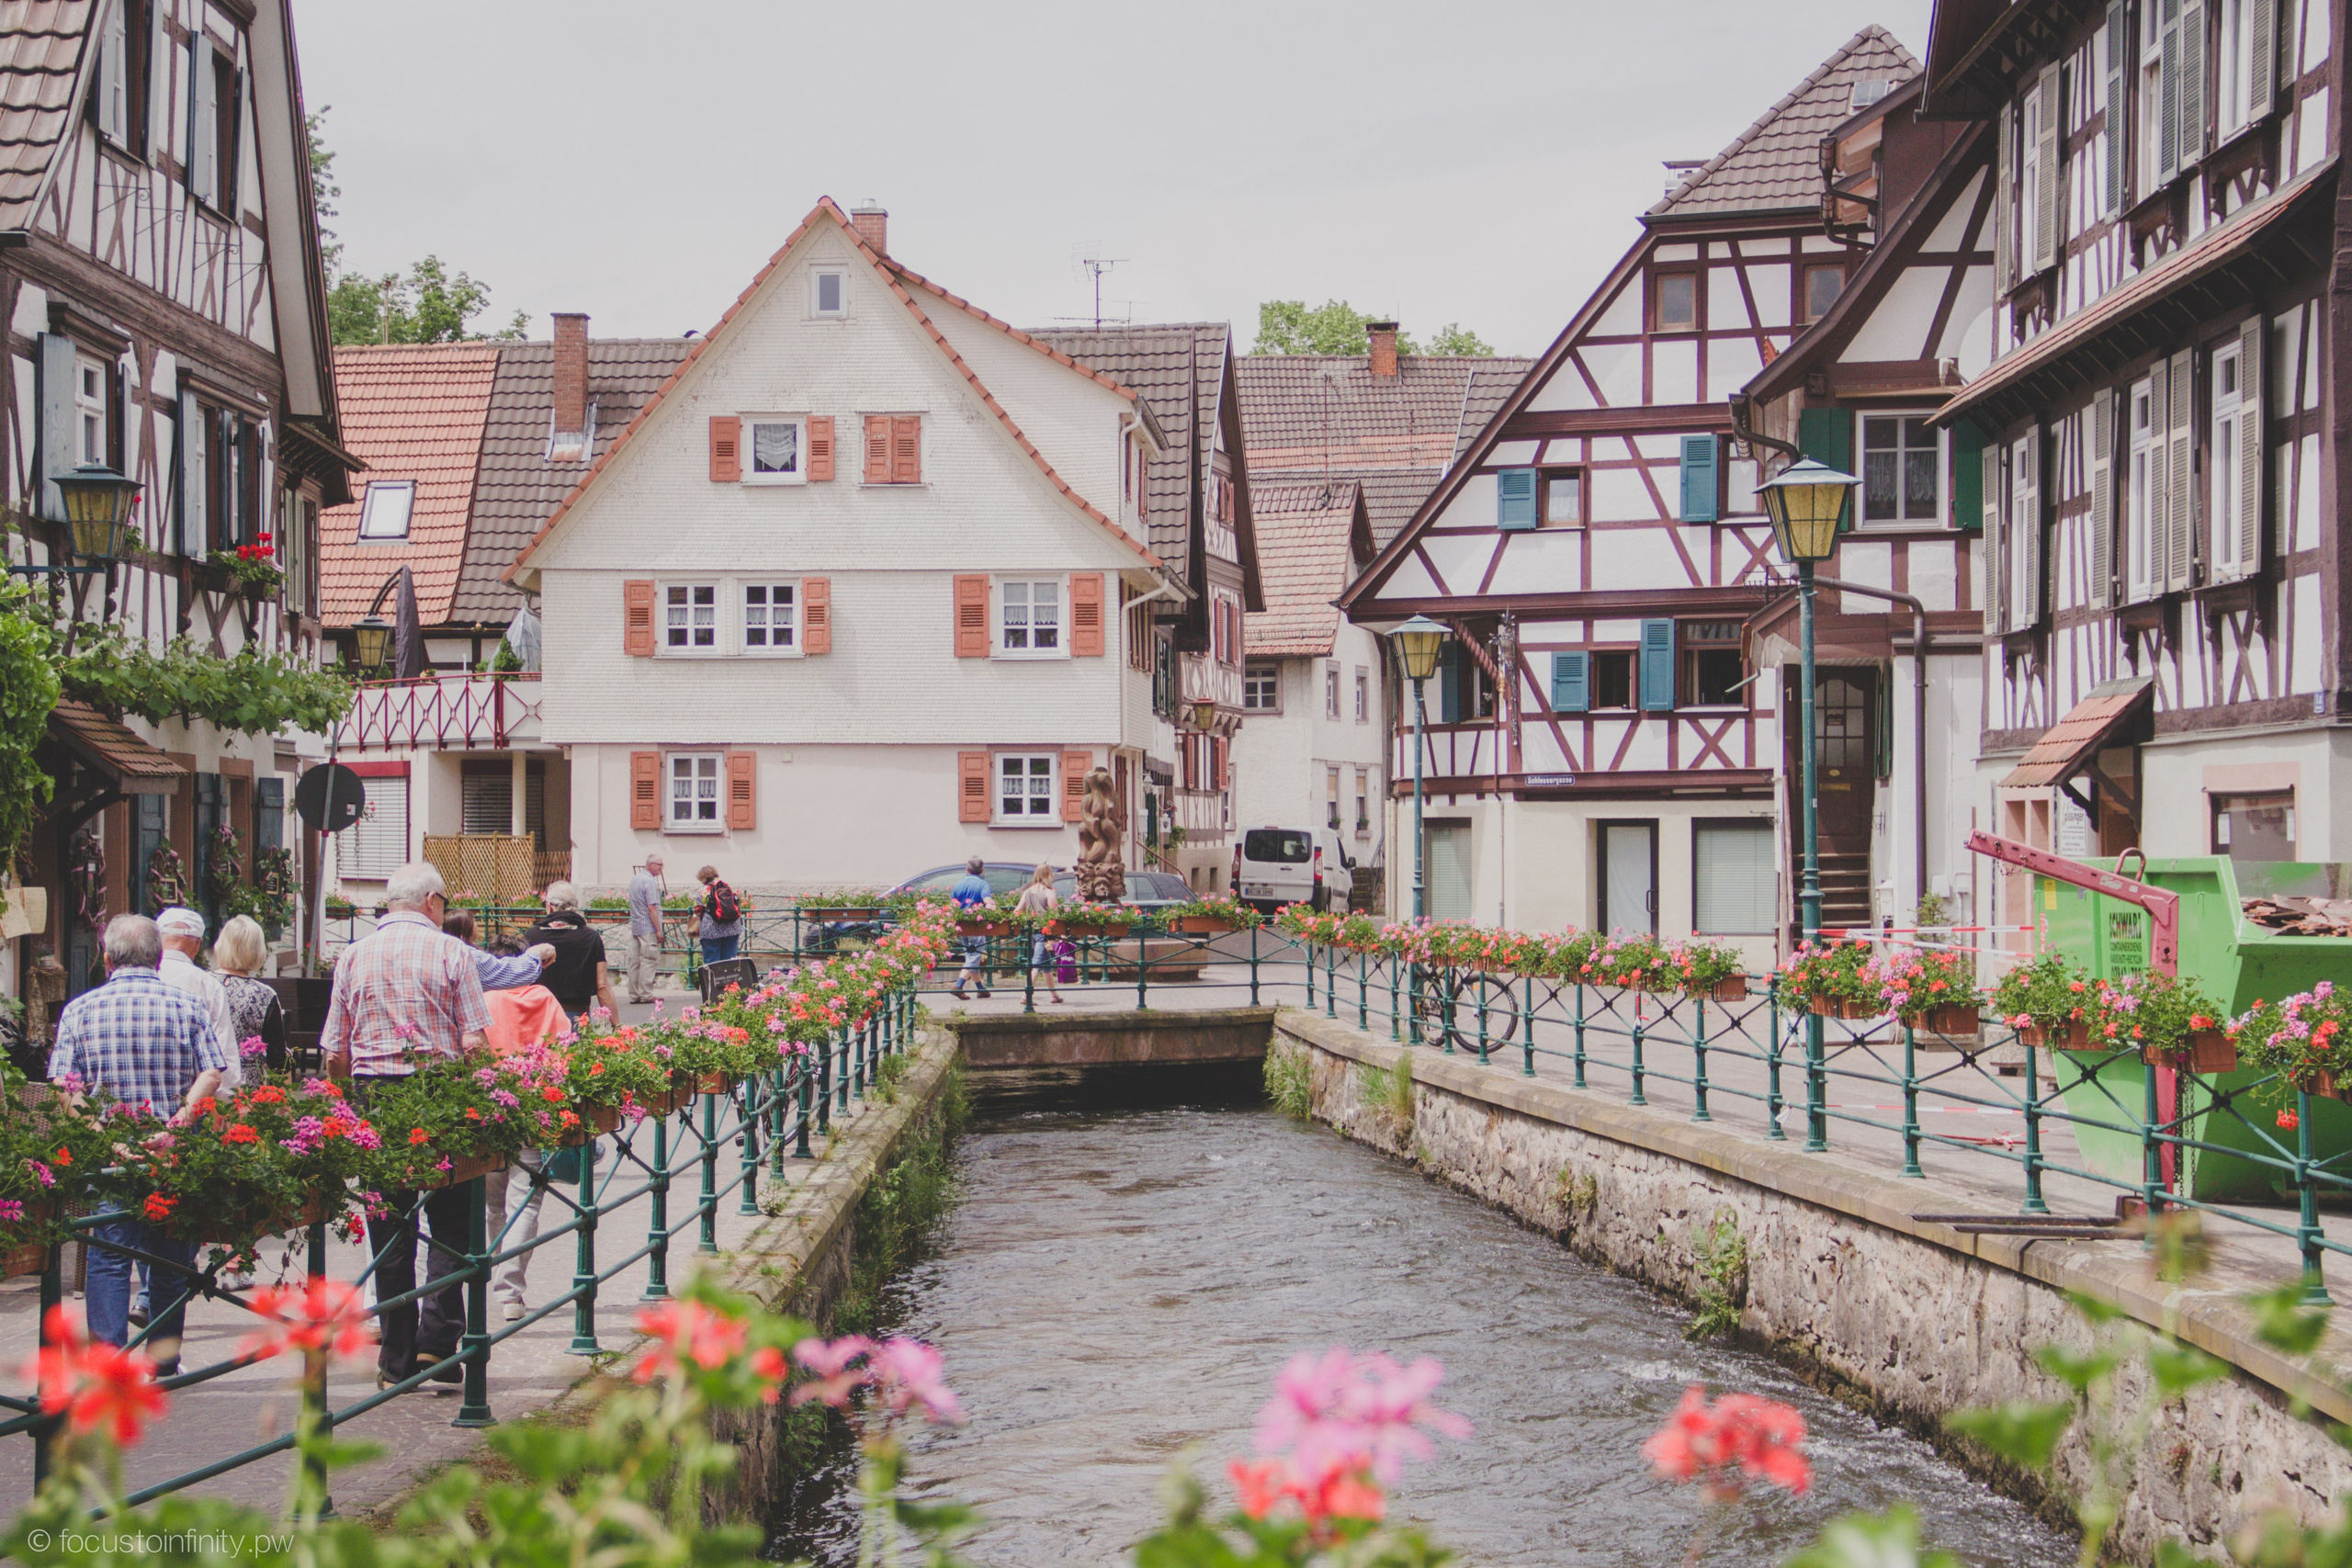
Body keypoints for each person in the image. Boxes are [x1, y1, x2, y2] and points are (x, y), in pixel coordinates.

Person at [319, 860, 491, 1391]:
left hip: (375, 1096)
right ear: (434, 903)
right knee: (452, 1222)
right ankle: (436, 1345)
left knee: (389, 1227)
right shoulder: (452, 951)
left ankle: (395, 1358)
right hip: (438, 1093)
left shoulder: (353, 954)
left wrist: (350, 1099)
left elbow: (333, 1052)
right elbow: (477, 1044)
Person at [49, 915, 231, 1373]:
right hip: (173, 1154)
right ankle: (162, 1365)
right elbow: (213, 1071)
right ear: (156, 957)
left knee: (109, 1260)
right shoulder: (187, 1005)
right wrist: (180, 1120)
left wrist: (107, 1139)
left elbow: (63, 1087)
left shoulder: (80, 1009)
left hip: (111, 1158)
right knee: (170, 1260)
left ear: (107, 958)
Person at [469, 934, 566, 1323]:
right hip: (536, 1109)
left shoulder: (484, 999)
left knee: (492, 1201)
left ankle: (487, 1270)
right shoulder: (544, 997)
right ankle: (510, 1292)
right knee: (525, 1200)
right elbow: (566, 1048)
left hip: (492, 1108)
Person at [154, 908, 240, 1091]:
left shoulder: (144, 976)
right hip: (192, 1098)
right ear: (197, 944)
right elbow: (224, 1051)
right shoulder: (207, 985)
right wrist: (224, 1105)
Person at [525, 883, 618, 1025]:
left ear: (550, 906)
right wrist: (616, 1025)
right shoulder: (590, 937)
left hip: (540, 1015)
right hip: (577, 1017)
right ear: (575, 907)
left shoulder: (531, 936)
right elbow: (602, 986)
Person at [212, 914, 287, 1072]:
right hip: (246, 1087)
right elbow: (277, 1060)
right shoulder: (263, 995)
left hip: (204, 1081)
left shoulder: (202, 983)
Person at [439, 908, 557, 996]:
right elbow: (511, 972)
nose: (477, 925)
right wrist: (536, 953)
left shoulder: (443, 952)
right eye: (473, 922)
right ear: (464, 930)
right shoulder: (472, 957)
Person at [1012, 863, 1065, 1005]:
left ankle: (1055, 995)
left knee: (1046, 966)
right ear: (1049, 875)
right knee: (1036, 964)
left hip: (1032, 933)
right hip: (1045, 934)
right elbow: (1054, 915)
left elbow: (1017, 911)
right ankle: (1026, 994)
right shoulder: (1049, 892)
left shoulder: (1028, 892)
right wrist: (1060, 933)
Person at [948, 858, 993, 1001]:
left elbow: (953, 906)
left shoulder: (959, 885)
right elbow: (987, 901)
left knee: (971, 956)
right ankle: (958, 985)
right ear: (982, 870)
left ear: (967, 869)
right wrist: (993, 909)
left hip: (962, 926)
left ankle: (981, 989)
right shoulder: (982, 884)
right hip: (976, 925)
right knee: (975, 956)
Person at [627, 856, 666, 1002]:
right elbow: (652, 908)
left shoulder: (636, 879)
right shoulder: (649, 881)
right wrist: (659, 930)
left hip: (637, 925)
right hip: (648, 926)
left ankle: (634, 994)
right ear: (650, 865)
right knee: (649, 959)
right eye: (659, 866)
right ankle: (646, 994)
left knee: (635, 961)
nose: (662, 869)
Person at [694, 865, 742, 966]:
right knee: (729, 962)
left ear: (702, 877)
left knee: (712, 963)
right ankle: (729, 982)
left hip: (711, 930)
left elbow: (698, 910)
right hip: (732, 928)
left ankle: (713, 982)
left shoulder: (703, 890)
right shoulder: (727, 887)